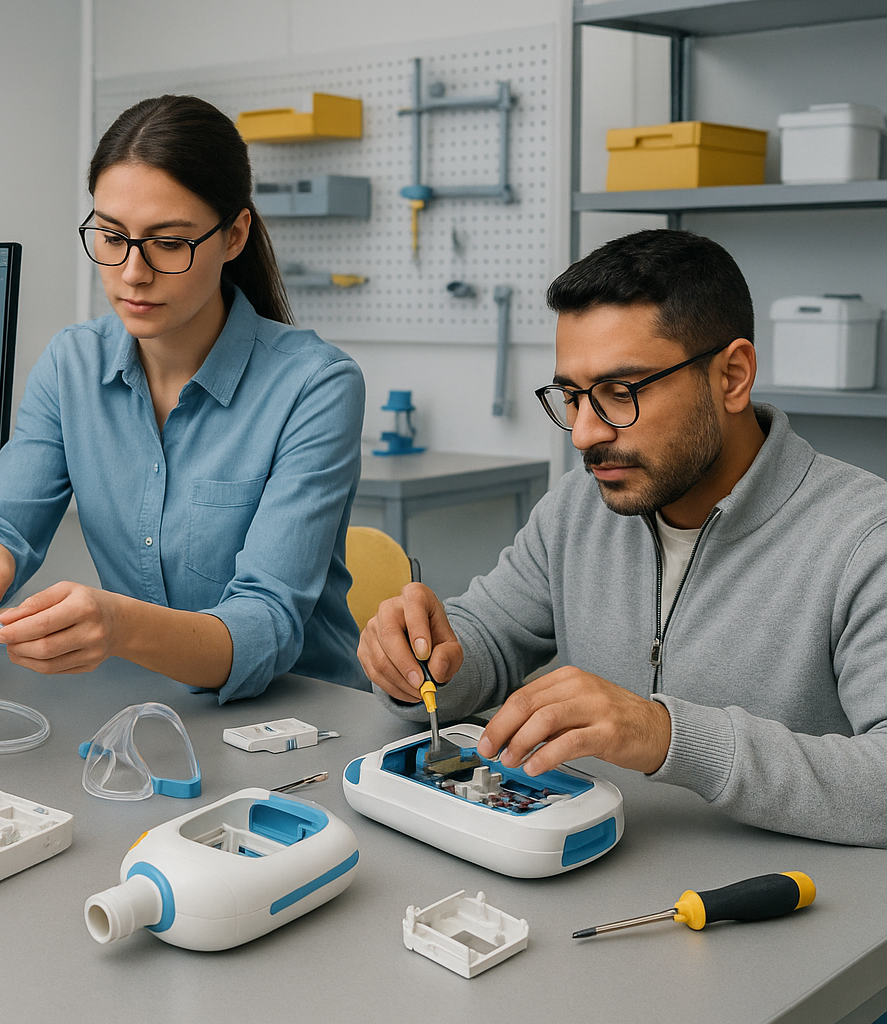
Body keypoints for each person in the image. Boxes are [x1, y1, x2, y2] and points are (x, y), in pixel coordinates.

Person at [359, 229, 887, 847]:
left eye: (620, 393)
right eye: (573, 396)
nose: (583, 434)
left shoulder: (864, 539)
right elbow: (486, 642)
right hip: (590, 870)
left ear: (733, 376)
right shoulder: (578, 507)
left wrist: (665, 736)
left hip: (777, 910)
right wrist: (424, 658)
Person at [0, 95, 366, 702]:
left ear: (234, 236)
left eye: (168, 242)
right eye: (111, 235)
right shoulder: (70, 364)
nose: (132, 272)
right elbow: (3, 523)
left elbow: (267, 623)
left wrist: (120, 626)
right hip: (143, 706)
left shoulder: (315, 386)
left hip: (302, 723)